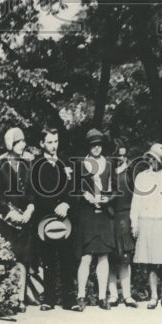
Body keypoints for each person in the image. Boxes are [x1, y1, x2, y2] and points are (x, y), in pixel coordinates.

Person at [27, 126, 75, 311]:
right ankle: (48, 299)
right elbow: (36, 192)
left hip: (65, 219)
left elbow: (73, 188)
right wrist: (53, 206)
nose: (53, 146)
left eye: (55, 141)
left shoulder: (65, 162)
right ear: (41, 144)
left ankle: (69, 300)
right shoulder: (36, 165)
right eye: (49, 142)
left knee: (67, 258)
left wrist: (66, 204)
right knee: (47, 260)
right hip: (45, 219)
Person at [130, 142, 162, 309]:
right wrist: (134, 223)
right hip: (147, 222)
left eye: (155, 158)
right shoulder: (142, 177)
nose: (151, 160)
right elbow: (136, 202)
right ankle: (153, 297)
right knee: (151, 262)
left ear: (161, 160)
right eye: (150, 157)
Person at [71, 127, 116, 312]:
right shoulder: (81, 165)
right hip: (87, 215)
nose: (96, 148)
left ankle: (102, 297)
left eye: (99, 145)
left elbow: (114, 190)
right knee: (86, 257)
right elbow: (75, 189)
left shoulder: (109, 164)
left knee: (103, 256)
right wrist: (86, 197)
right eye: (93, 145)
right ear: (88, 147)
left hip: (104, 214)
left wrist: (108, 199)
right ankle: (81, 296)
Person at [0, 126, 35, 311]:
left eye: (23, 141)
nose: (22, 145)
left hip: (25, 219)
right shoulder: (0, 164)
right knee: (8, 257)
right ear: (10, 143)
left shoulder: (27, 164)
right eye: (18, 142)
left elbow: (32, 191)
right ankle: (8, 296)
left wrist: (30, 209)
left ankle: (20, 297)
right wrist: (10, 213)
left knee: (23, 259)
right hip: (7, 220)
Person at [106, 138, 137, 308]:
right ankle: (112, 295)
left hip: (126, 216)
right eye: (118, 156)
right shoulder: (107, 173)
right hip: (110, 217)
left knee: (125, 257)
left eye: (124, 156)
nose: (122, 159)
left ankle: (127, 295)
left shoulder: (131, 172)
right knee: (111, 257)